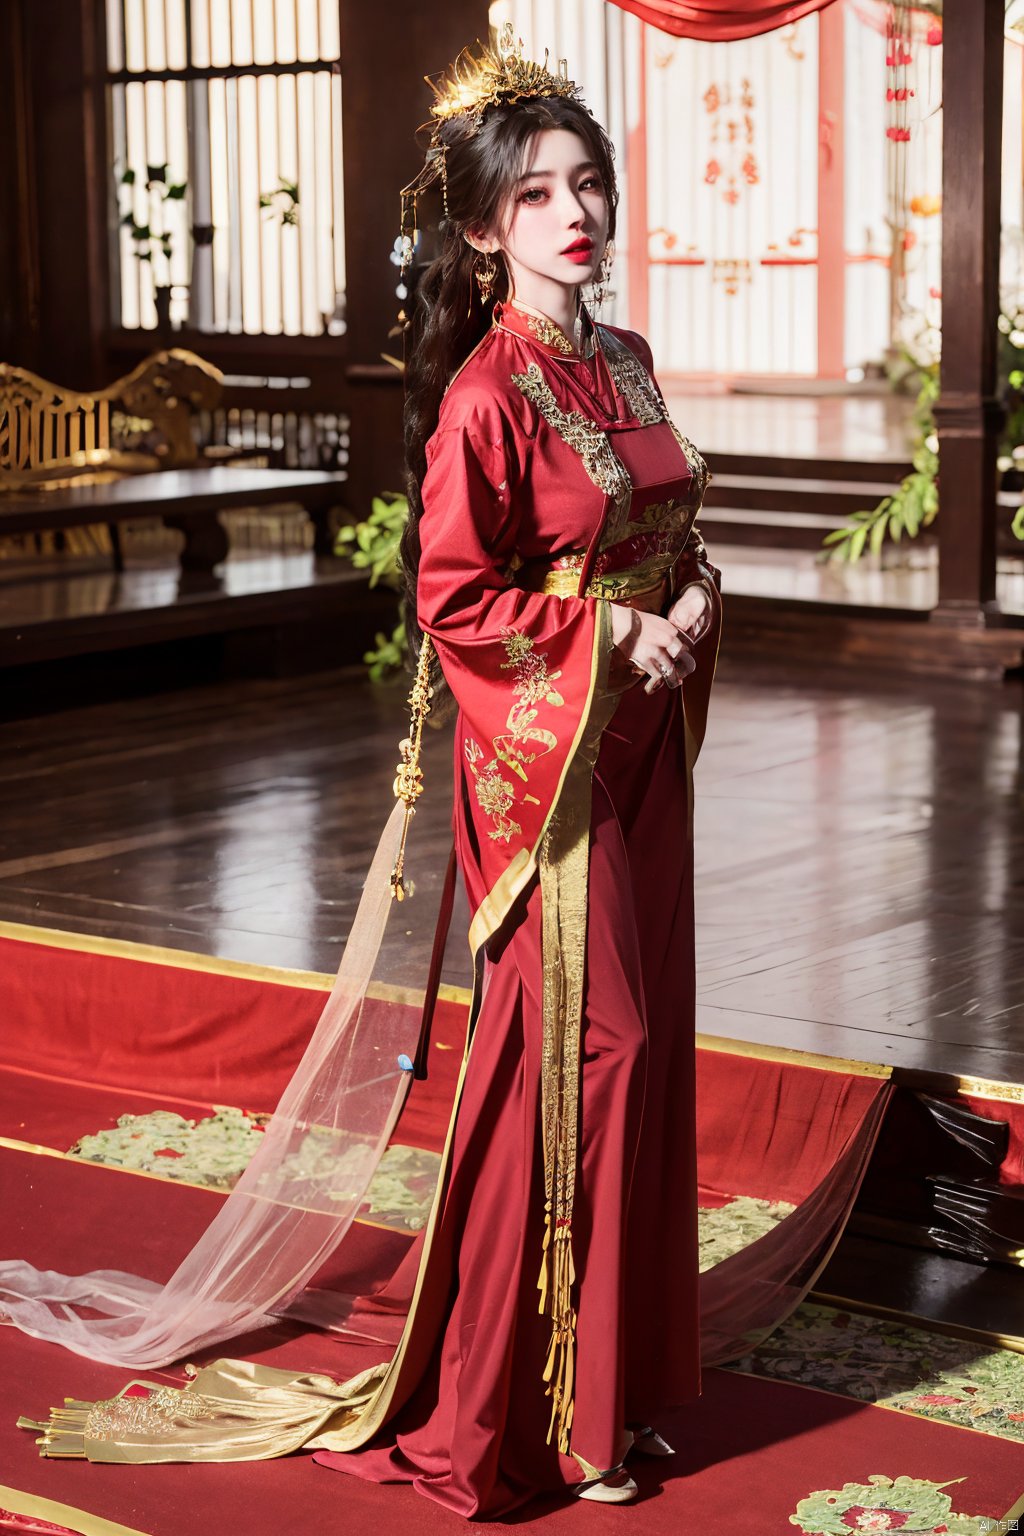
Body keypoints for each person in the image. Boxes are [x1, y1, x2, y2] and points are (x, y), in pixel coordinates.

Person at [9, 24, 721, 1520]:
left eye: (587, 183)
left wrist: (696, 599)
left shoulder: (628, 361)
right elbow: (459, 601)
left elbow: (667, 529)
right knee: (596, 1054)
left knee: (648, 1057)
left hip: (642, 755)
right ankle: (537, 1407)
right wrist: (617, 631)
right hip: (545, 777)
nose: (573, 214)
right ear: (481, 228)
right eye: (535, 196)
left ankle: (628, 1385)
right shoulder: (488, 395)